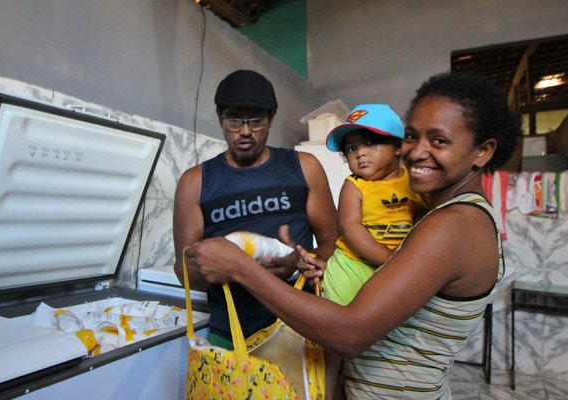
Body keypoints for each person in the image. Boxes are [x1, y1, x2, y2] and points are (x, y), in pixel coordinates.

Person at [185, 71, 521, 399]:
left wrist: (242, 268)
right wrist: (326, 268)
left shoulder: (455, 225)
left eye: (439, 141)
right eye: (411, 136)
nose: (415, 152)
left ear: (483, 151)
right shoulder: (440, 214)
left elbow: (349, 333)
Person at [172, 69, 338, 349]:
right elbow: (183, 271)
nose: (245, 131)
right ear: (220, 117)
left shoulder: (304, 168)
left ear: (272, 118)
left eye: (256, 120)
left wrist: (297, 262)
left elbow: (333, 242)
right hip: (228, 337)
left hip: (298, 329)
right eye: (234, 119)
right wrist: (226, 265)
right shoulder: (195, 182)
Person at [322, 104, 428, 397]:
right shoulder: (354, 185)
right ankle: (329, 393)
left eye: (370, 142)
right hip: (352, 266)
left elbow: (428, 220)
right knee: (335, 341)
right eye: (352, 148)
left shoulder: (414, 182)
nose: (359, 153)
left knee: (384, 337)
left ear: (398, 147)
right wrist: (387, 258)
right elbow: (351, 228)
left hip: (395, 269)